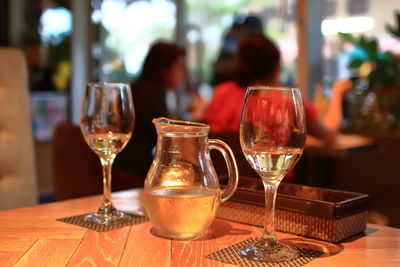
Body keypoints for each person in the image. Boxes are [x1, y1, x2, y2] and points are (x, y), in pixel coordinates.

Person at [203, 33, 351, 145]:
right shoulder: (285, 99)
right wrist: (337, 93)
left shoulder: (222, 92)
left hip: (224, 179)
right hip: (274, 181)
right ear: (275, 67)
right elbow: (330, 134)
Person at [115, 41, 186, 180]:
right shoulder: (149, 94)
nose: (183, 73)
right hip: (131, 174)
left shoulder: (139, 89)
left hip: (122, 168)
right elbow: (166, 137)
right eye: (179, 66)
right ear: (163, 69)